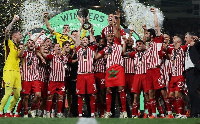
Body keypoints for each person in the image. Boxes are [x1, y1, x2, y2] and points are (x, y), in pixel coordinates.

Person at [96, 10, 128, 118]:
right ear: (106, 38)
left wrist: (117, 19)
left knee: (121, 89)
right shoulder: (105, 48)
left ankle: (124, 112)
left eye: (111, 35)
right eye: (108, 36)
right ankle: (108, 112)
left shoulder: (118, 42)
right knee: (108, 90)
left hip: (118, 68)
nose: (110, 37)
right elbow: (96, 57)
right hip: (109, 69)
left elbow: (117, 31)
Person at [145, 8, 173, 118]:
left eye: (147, 34)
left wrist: (154, 14)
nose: (145, 35)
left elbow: (157, 27)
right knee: (150, 92)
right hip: (149, 71)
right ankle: (153, 114)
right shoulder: (149, 45)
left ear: (152, 35)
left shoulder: (158, 41)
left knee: (162, 91)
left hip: (157, 70)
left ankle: (170, 113)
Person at [0, 15, 22, 117]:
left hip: (17, 73)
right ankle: (0, 112)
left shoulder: (17, 48)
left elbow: (20, 56)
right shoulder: (8, 43)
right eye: (19, 34)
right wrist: (13, 20)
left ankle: (8, 111)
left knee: (17, 95)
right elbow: (6, 31)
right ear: (14, 36)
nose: (21, 36)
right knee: (8, 93)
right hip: (8, 71)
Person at [41, 43, 71, 118]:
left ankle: (59, 113)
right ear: (54, 49)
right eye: (57, 46)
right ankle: (48, 112)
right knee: (50, 96)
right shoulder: (52, 56)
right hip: (53, 80)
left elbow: (69, 62)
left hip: (61, 81)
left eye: (59, 46)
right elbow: (45, 56)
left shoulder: (64, 57)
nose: (59, 47)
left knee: (61, 97)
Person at [167, 36, 187, 118]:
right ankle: (178, 112)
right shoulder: (172, 51)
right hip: (173, 76)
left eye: (175, 39)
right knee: (171, 96)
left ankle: (182, 114)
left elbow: (191, 44)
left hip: (180, 75)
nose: (173, 40)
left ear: (179, 42)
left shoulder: (183, 48)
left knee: (178, 94)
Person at [184, 32, 200, 118]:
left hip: (195, 70)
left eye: (186, 37)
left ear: (191, 38)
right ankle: (195, 113)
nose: (185, 39)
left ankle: (198, 111)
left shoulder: (195, 45)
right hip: (188, 73)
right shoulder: (188, 48)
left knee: (193, 92)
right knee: (190, 93)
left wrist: (198, 40)